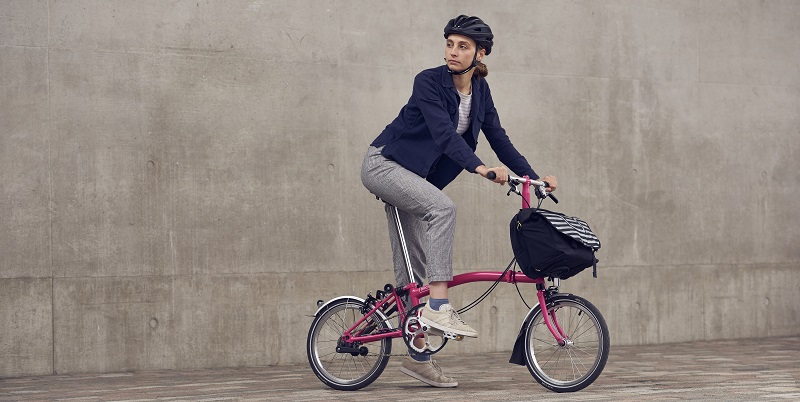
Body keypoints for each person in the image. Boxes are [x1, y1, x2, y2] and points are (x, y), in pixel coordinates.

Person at [360, 15, 557, 388]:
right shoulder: (428, 82)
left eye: (463, 46)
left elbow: (500, 138)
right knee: (443, 208)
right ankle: (438, 308)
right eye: (450, 43)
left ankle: (418, 357)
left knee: (414, 276)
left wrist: (533, 178)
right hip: (384, 164)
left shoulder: (480, 92)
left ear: (480, 53)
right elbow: (445, 135)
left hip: (413, 178)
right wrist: (480, 168)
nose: (453, 51)